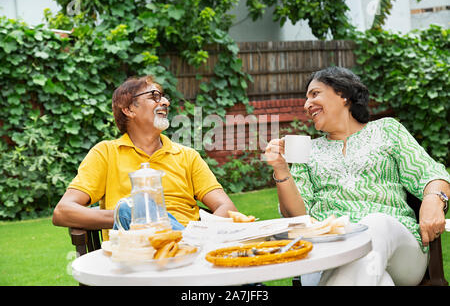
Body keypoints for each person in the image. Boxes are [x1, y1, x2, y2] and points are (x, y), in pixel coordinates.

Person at [264, 66, 449, 286]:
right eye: (306, 98)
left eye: (314, 94)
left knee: (376, 224)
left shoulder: (387, 130)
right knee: (379, 280)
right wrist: (281, 169)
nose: (306, 105)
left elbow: (431, 173)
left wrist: (434, 199)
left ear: (343, 94)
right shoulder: (308, 151)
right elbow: (297, 216)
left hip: (400, 252)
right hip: (327, 253)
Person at [53, 75, 237, 239]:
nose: (165, 102)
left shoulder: (188, 156)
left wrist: (201, 234)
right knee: (132, 206)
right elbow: (63, 211)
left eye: (164, 97)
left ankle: (185, 244)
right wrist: (135, 216)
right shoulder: (105, 153)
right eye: (154, 97)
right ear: (129, 110)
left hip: (192, 243)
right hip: (138, 253)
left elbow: (227, 208)